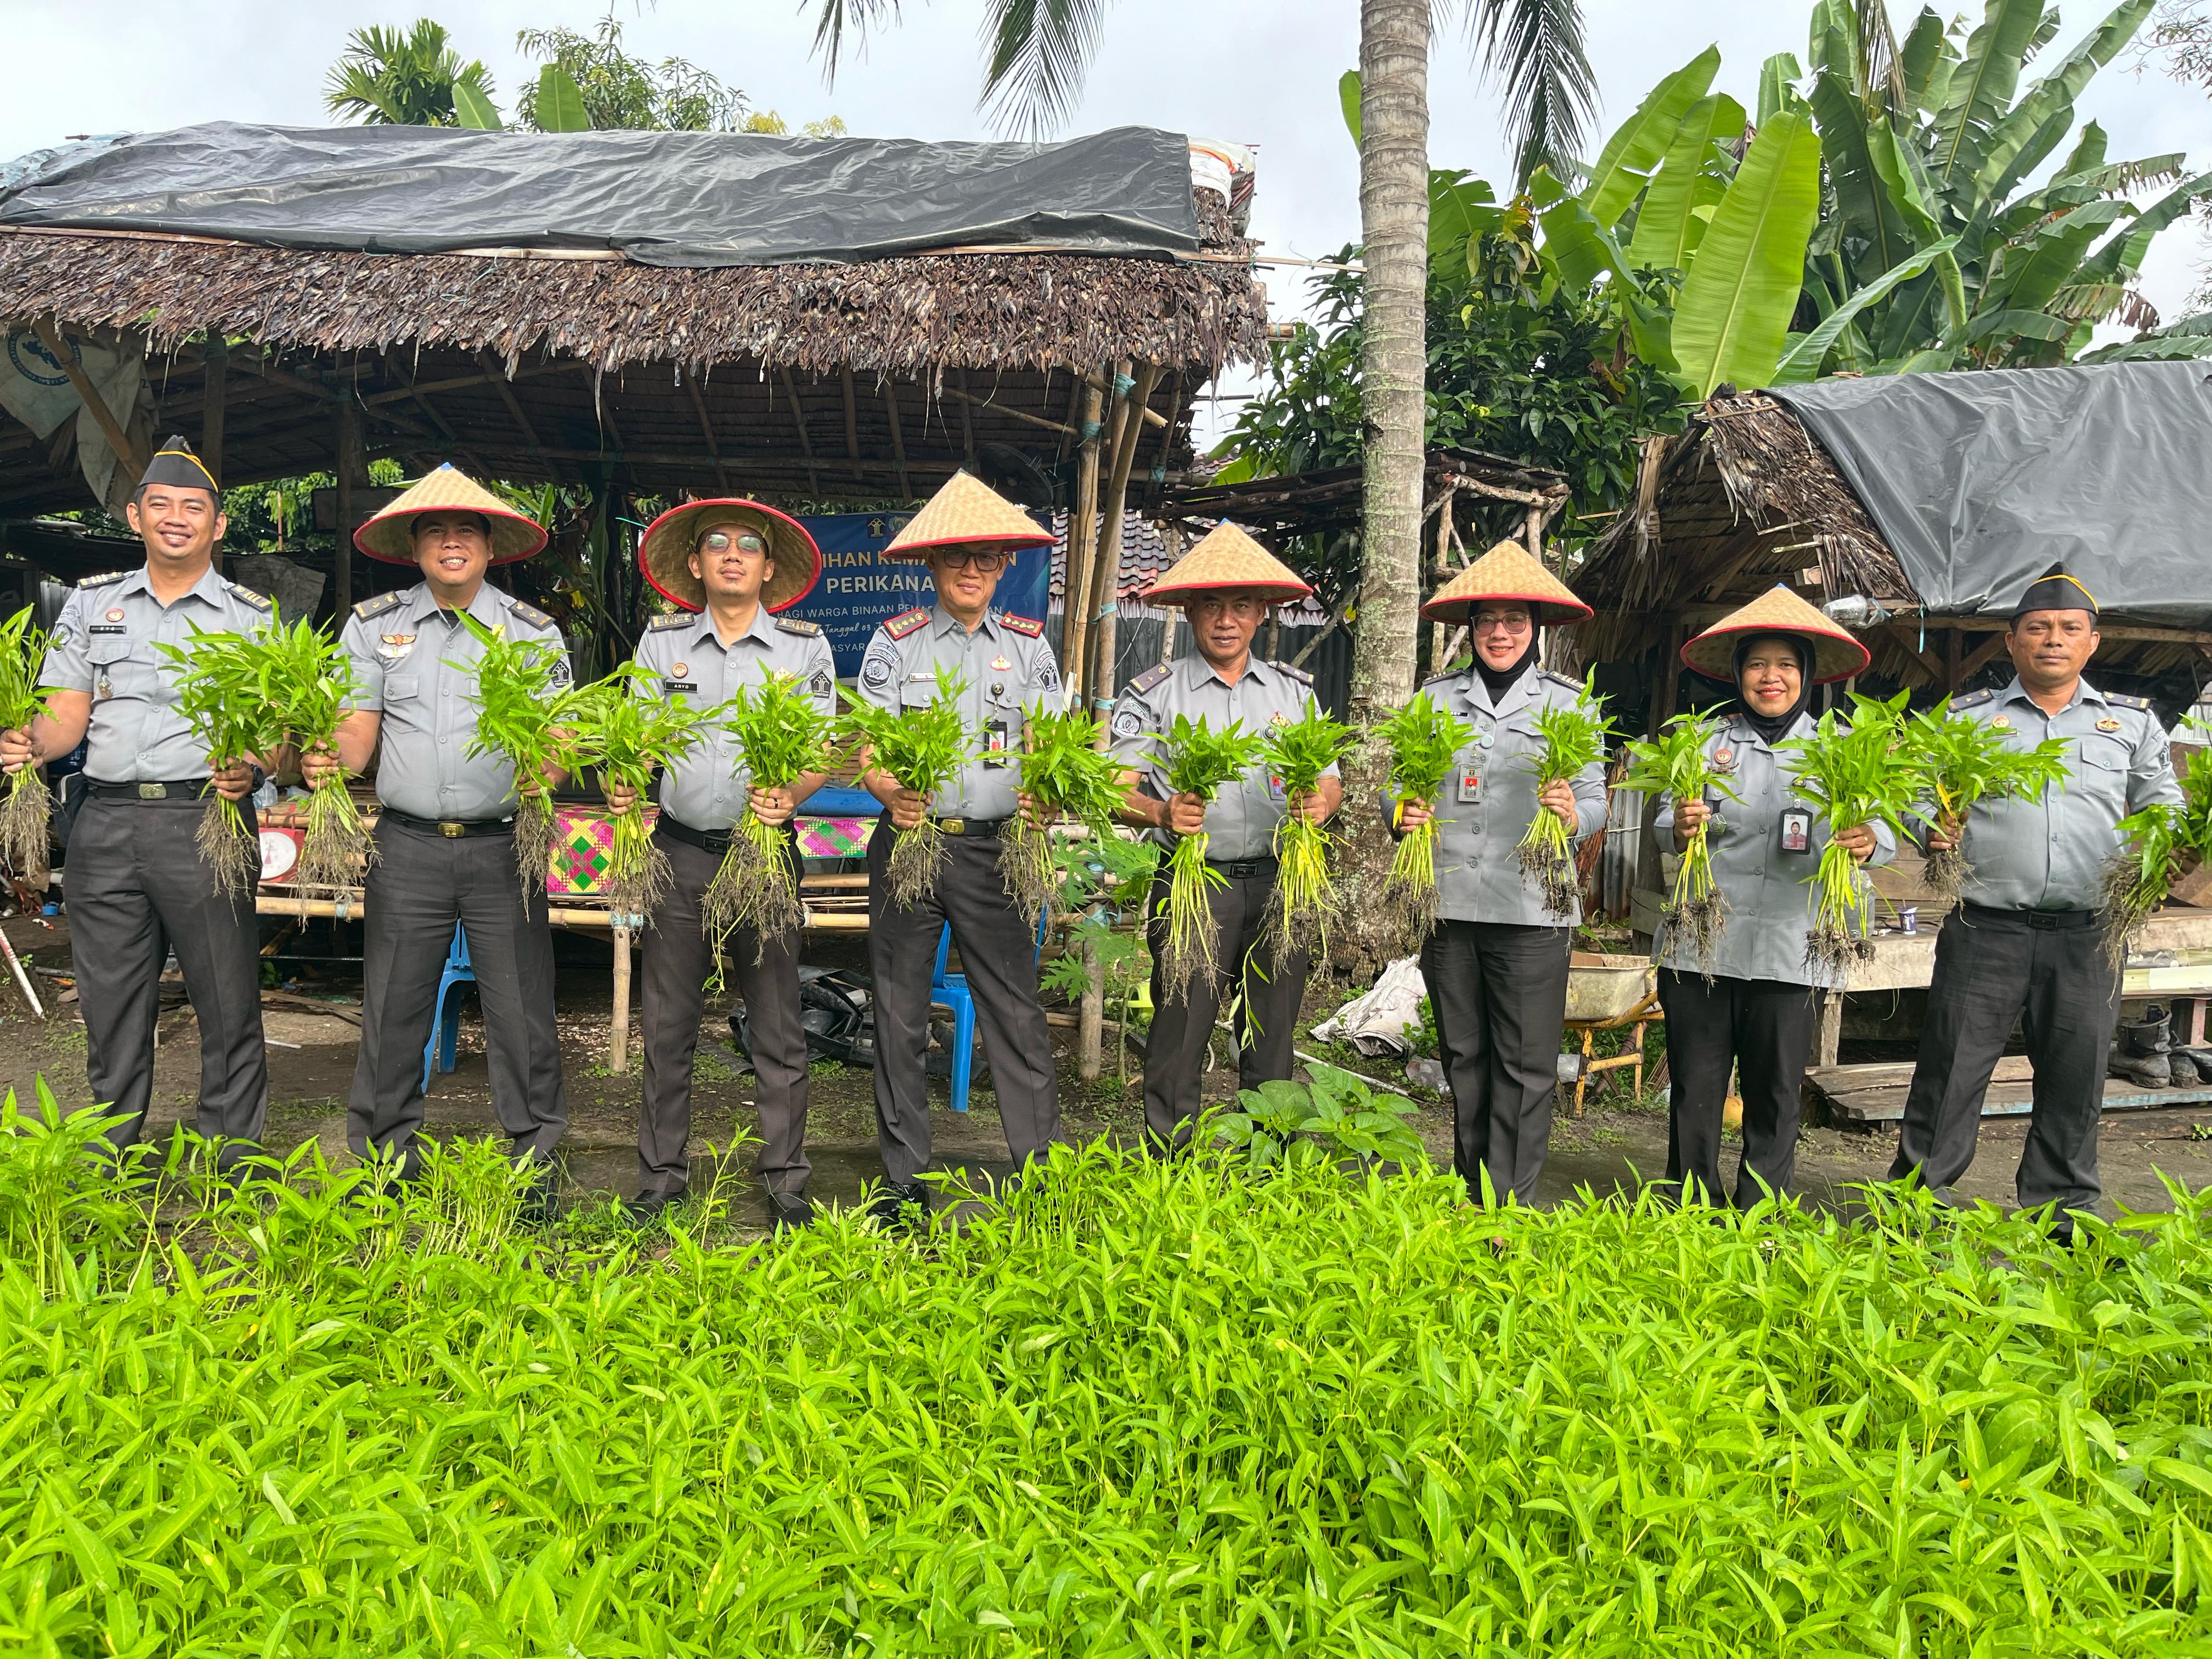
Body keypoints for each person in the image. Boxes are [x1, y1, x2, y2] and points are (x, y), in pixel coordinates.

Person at [302, 466, 572, 1219]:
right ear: (415, 548)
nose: (451, 542)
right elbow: (357, 737)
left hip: (503, 844)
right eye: (434, 531)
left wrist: (542, 761)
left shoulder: (533, 632)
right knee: (394, 1003)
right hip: (408, 845)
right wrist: (321, 754)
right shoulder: (372, 626)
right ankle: (385, 1159)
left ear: (489, 548)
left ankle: (534, 1162)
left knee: (522, 1007)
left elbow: (557, 746)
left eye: (466, 531)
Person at [0, 437, 274, 1171]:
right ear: (135, 515)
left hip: (207, 820)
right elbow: (67, 715)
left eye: (194, 508)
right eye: (161, 505)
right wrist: (30, 742)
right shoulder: (94, 604)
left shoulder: (251, 616)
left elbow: (276, 734)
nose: (176, 518)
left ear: (218, 525)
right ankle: (109, 1151)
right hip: (109, 822)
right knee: (113, 996)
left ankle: (232, 1154)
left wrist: (252, 767)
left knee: (225, 994)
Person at [1891, 565, 2179, 1234]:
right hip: (1985, 928)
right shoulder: (1969, 719)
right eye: (2038, 628)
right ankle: (1914, 1208)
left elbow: (2163, 807)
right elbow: (1911, 792)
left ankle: (2064, 1214)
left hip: (2089, 933)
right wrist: (1930, 826)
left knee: (2076, 1078)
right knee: (1951, 1071)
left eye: (2069, 629)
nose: (2053, 639)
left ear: (2092, 642)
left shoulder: (2129, 727)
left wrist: (2163, 854)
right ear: (2013, 641)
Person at [610, 498, 833, 1229]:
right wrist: (623, 774)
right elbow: (638, 737)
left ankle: (787, 1184)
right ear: (697, 565)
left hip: (763, 855)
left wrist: (789, 795)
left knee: (776, 1024)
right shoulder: (661, 641)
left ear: (769, 569)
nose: (732, 554)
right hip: (678, 853)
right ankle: (661, 1179)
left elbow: (820, 751)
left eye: (748, 546)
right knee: (668, 1021)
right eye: (717, 544)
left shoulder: (804, 648)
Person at [854, 471, 1063, 1224]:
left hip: (996, 852)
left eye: (984, 557)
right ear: (932, 566)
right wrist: (888, 790)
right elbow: (869, 746)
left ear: (1005, 565)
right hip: (911, 843)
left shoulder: (1032, 649)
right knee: (900, 1012)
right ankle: (904, 1182)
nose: (970, 569)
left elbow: (1050, 748)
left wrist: (1048, 791)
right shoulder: (894, 643)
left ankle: (1045, 1178)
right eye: (955, 558)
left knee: (1016, 1011)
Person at [1652, 587, 1890, 1206]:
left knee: (1777, 1088)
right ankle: (1688, 1206)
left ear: (1807, 675)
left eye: (1786, 665)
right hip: (1703, 942)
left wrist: (1870, 840)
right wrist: (1677, 826)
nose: (1771, 677)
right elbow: (1660, 819)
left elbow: (1885, 825)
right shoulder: (1705, 742)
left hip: (1792, 945)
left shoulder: (1839, 749)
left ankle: (1761, 1213)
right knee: (1697, 1085)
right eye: (1758, 664)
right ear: (1739, 673)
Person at [1109, 522, 1341, 1152]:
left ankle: (1264, 1158)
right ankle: (1169, 1162)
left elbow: (1330, 782)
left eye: (1241, 605)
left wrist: (1318, 806)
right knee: (1181, 1025)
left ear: (1261, 612)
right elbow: (1114, 789)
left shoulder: (1293, 694)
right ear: (1189, 610)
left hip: (1277, 881)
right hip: (1194, 883)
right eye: (1212, 604)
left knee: (1272, 1032)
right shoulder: (1153, 694)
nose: (1226, 619)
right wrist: (1160, 814)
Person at [1393, 541, 1608, 1206]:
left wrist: (1573, 816)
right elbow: (1399, 787)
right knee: (1465, 1054)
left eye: (1515, 620)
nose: (1500, 633)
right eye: (1488, 620)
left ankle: (1509, 1203)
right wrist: (1399, 809)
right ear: (1471, 628)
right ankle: (1471, 1186)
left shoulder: (1571, 705)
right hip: (1450, 904)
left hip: (1532, 908)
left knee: (1525, 1063)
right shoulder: (1433, 700)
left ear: (1535, 628)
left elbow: (1599, 801)